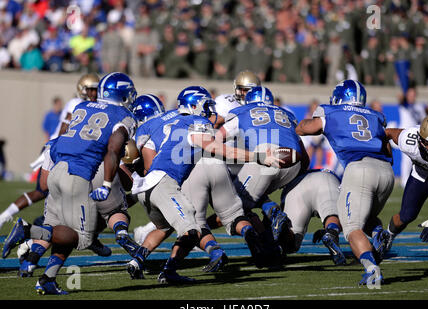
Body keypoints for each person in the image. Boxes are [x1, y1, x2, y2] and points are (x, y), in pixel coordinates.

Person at [127, 86, 283, 282]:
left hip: (147, 185)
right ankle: (169, 272)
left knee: (164, 228)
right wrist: (256, 156)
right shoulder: (195, 122)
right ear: (193, 105)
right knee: (193, 229)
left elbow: (146, 160)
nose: (209, 110)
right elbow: (215, 147)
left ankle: (137, 261)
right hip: (165, 183)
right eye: (205, 105)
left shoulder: (170, 123)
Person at [27, 72, 136, 295]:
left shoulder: (83, 107)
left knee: (63, 229)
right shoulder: (124, 115)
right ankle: (28, 231)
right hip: (79, 173)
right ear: (122, 93)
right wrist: (106, 184)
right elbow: (114, 148)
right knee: (83, 238)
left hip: (59, 167)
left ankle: (47, 279)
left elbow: (64, 137)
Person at [295, 79, 394, 287]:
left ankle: (371, 269)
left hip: (359, 169)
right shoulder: (375, 115)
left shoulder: (331, 111)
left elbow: (306, 129)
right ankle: (377, 233)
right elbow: (388, 150)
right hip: (386, 172)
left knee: (351, 227)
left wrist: (302, 124)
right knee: (363, 215)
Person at [0, 74, 99, 231]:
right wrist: (60, 152)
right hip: (57, 149)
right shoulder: (76, 103)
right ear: (82, 89)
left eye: (96, 90)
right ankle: (6, 217)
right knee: (43, 191)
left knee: (64, 191)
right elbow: (64, 129)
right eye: (91, 89)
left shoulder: (94, 107)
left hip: (69, 152)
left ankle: (47, 221)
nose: (94, 93)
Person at [218, 86, 309, 252]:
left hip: (265, 157)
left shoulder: (241, 111)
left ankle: (268, 245)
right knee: (255, 193)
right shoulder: (286, 114)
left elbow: (216, 141)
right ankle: (273, 217)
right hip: (292, 162)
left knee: (235, 207)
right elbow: (305, 159)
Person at [383, 113, 428, 250]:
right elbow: (386, 133)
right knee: (407, 215)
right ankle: (388, 235)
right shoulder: (408, 139)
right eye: (425, 142)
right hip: (422, 174)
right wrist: (388, 160)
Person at [278, 169, 345, 265]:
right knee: (334, 216)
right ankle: (331, 232)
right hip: (326, 179)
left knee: (292, 244)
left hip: (295, 186)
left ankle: (282, 233)